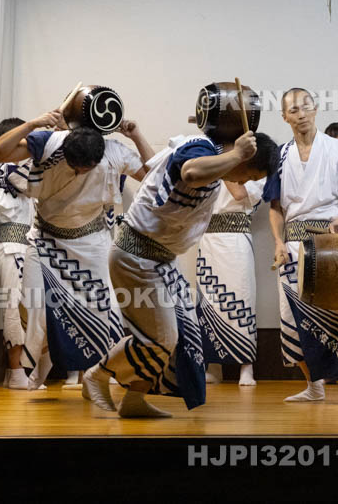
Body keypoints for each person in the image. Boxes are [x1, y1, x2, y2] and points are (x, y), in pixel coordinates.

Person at [84, 129, 278, 418]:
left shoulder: (208, 162)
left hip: (161, 260)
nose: (243, 182)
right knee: (161, 338)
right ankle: (98, 374)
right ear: (244, 157)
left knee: (183, 338)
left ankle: (134, 399)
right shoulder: (201, 148)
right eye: (248, 175)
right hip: (137, 256)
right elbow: (189, 173)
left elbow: (165, 173)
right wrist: (237, 154)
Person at [0, 110, 155, 390]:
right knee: (32, 307)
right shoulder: (48, 142)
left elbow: (154, 177)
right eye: (75, 166)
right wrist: (33, 124)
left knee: (108, 308)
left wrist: (136, 136)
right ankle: (41, 364)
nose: (80, 173)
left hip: (92, 242)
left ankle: (102, 373)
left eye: (86, 168)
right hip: (45, 240)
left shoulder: (114, 151)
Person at [265, 89, 338, 407]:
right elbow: (275, 208)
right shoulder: (279, 155)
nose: (301, 114)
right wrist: (278, 241)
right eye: (294, 109)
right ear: (285, 116)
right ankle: (314, 386)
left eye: (306, 107)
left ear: (316, 109)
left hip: (329, 242)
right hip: (293, 243)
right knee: (291, 318)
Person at [197, 176, 266, 387]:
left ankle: (246, 366)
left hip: (236, 238)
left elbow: (239, 193)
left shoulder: (254, 166)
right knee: (209, 302)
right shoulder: (207, 160)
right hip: (207, 239)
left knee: (241, 299)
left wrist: (223, 165)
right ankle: (213, 367)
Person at [0, 117, 36, 391]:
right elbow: (31, 182)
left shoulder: (13, 167)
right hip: (12, 245)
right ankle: (16, 371)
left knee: (25, 309)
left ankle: (20, 371)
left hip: (22, 246)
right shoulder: (8, 166)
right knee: (13, 307)